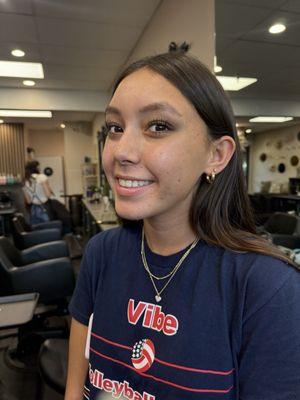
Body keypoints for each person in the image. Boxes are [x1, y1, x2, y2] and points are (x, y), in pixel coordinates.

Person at [65, 52, 300, 400]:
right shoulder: (102, 253)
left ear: (216, 155)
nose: (121, 152)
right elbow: (76, 386)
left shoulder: (270, 289)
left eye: (158, 126)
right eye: (115, 128)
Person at [23, 160, 53, 224]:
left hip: (33, 209)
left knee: (37, 230)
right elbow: (48, 195)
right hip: (44, 208)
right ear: (36, 168)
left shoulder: (25, 181)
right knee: (48, 228)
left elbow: (28, 201)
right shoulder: (42, 177)